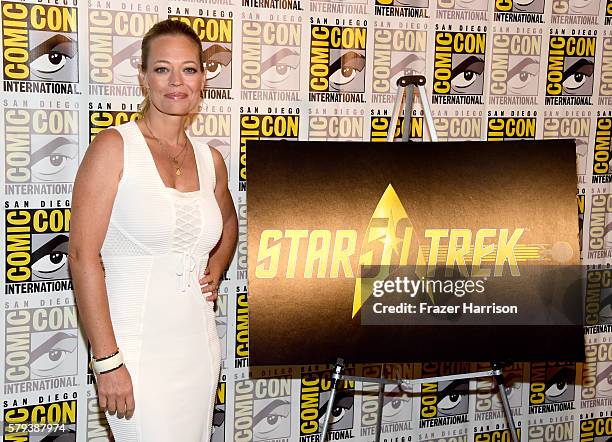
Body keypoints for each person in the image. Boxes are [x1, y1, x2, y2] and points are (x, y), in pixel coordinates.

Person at [68, 19, 238, 441]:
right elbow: (82, 257)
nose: (176, 81)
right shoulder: (114, 147)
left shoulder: (209, 159)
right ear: (143, 79)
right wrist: (107, 362)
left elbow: (229, 223)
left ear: (203, 78)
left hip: (198, 348)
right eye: (162, 69)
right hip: (134, 352)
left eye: (189, 69)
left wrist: (214, 269)